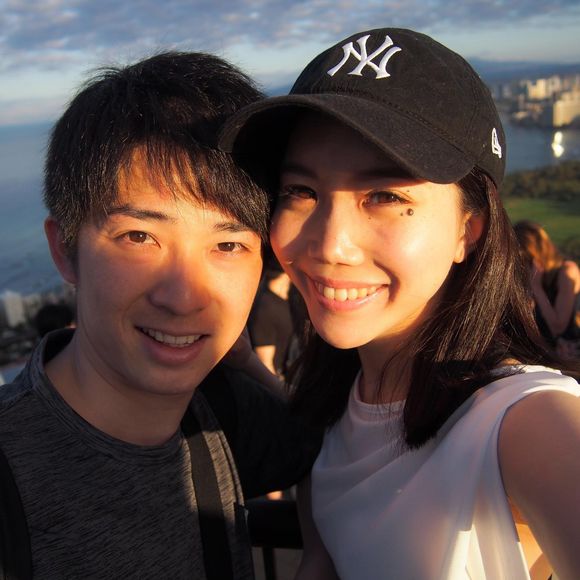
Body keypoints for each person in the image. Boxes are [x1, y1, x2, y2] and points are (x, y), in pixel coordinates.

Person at [221, 28, 580, 579]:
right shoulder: (335, 400)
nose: (330, 245)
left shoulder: (524, 422)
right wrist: (245, 363)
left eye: (385, 196)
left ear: (469, 230)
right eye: (301, 191)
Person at [0, 52, 320, 579]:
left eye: (228, 244)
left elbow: (330, 451)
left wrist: (250, 367)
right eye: (139, 237)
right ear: (65, 250)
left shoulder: (222, 409)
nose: (184, 297)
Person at [514, 220, 580, 359]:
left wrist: (537, 288)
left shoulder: (566, 272)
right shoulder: (527, 273)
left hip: (567, 349)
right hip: (540, 349)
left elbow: (558, 327)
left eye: (526, 258)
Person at [248, 252, 294, 377]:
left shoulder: (287, 297)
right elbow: (265, 363)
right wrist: (278, 387)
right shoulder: (266, 308)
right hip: (276, 378)